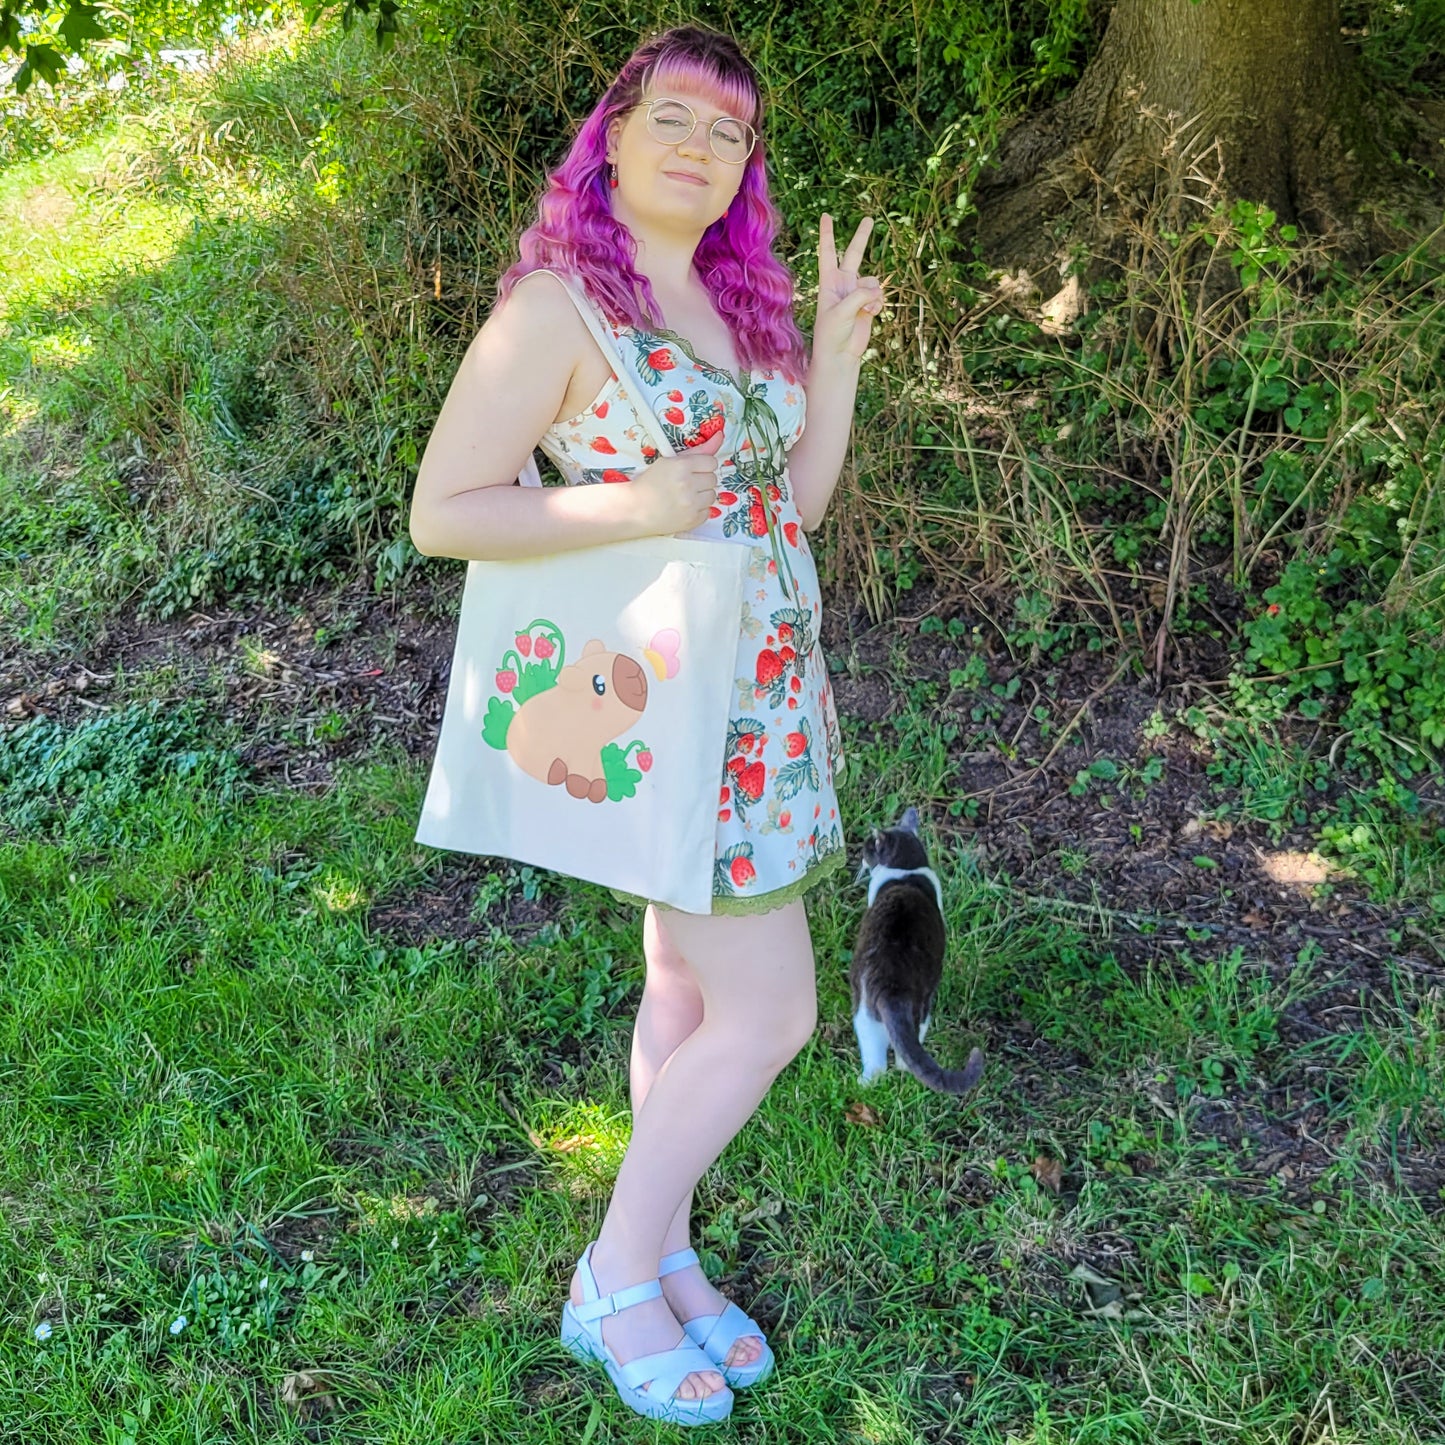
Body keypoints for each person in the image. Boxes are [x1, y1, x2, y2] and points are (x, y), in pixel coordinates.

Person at [408, 23, 882, 1426]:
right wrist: (635, 505)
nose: (702, 145)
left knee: (681, 984)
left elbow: (785, 508)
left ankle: (662, 1239)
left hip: (768, 695)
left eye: (730, 131)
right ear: (608, 137)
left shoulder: (738, 307)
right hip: (671, 700)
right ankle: (611, 1274)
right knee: (772, 1010)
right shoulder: (556, 311)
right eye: (674, 116)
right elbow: (445, 511)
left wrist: (838, 357)